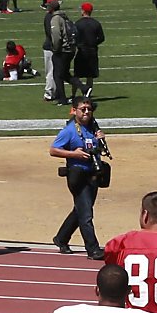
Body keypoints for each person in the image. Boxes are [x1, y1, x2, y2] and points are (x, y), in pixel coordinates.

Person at [50, 97, 108, 258]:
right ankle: (93, 249)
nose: (87, 112)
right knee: (86, 214)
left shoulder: (92, 129)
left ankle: (61, 238)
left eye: (89, 109)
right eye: (83, 109)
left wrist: (101, 139)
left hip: (93, 175)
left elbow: (97, 150)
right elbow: (53, 150)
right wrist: (73, 154)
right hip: (77, 176)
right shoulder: (69, 131)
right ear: (74, 110)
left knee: (81, 210)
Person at [71, 2, 105, 100]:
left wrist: (78, 45)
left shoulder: (78, 23)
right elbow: (102, 38)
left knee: (76, 75)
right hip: (92, 51)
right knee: (90, 76)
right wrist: (94, 43)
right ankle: (87, 95)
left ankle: (73, 95)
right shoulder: (96, 23)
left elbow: (74, 37)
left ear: (83, 11)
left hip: (81, 51)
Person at [43, 0, 74, 102]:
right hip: (58, 47)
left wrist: (56, 47)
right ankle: (54, 93)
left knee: (53, 72)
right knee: (55, 72)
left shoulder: (53, 17)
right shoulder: (58, 16)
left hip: (54, 47)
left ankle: (51, 93)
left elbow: (53, 34)